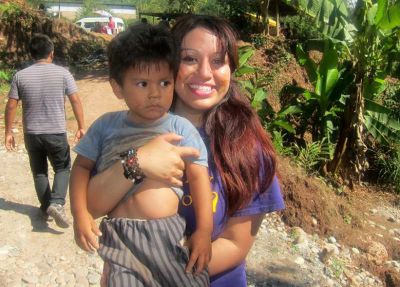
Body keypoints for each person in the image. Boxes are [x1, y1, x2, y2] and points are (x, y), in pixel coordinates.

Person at [87, 15, 285, 286]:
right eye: (190, 58)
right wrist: (138, 160)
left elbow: (236, 244)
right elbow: (93, 206)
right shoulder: (126, 130)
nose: (205, 73)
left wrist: (155, 274)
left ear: (231, 70)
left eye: (218, 61)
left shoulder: (248, 149)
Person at [69, 23, 212, 286]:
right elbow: (80, 169)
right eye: (143, 83)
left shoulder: (180, 127)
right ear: (118, 87)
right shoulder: (106, 125)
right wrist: (80, 214)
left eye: (165, 82)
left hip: (166, 233)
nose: (155, 93)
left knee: (191, 280)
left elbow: (200, 177)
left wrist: (203, 231)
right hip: (119, 237)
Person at [4, 33, 85, 228]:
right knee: (63, 168)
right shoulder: (63, 73)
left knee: (39, 172)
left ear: (32, 54)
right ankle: (57, 203)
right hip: (55, 131)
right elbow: (75, 100)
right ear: (52, 52)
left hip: (31, 133)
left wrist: (8, 132)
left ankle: (45, 207)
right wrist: (82, 126)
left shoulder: (20, 76)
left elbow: (11, 105)